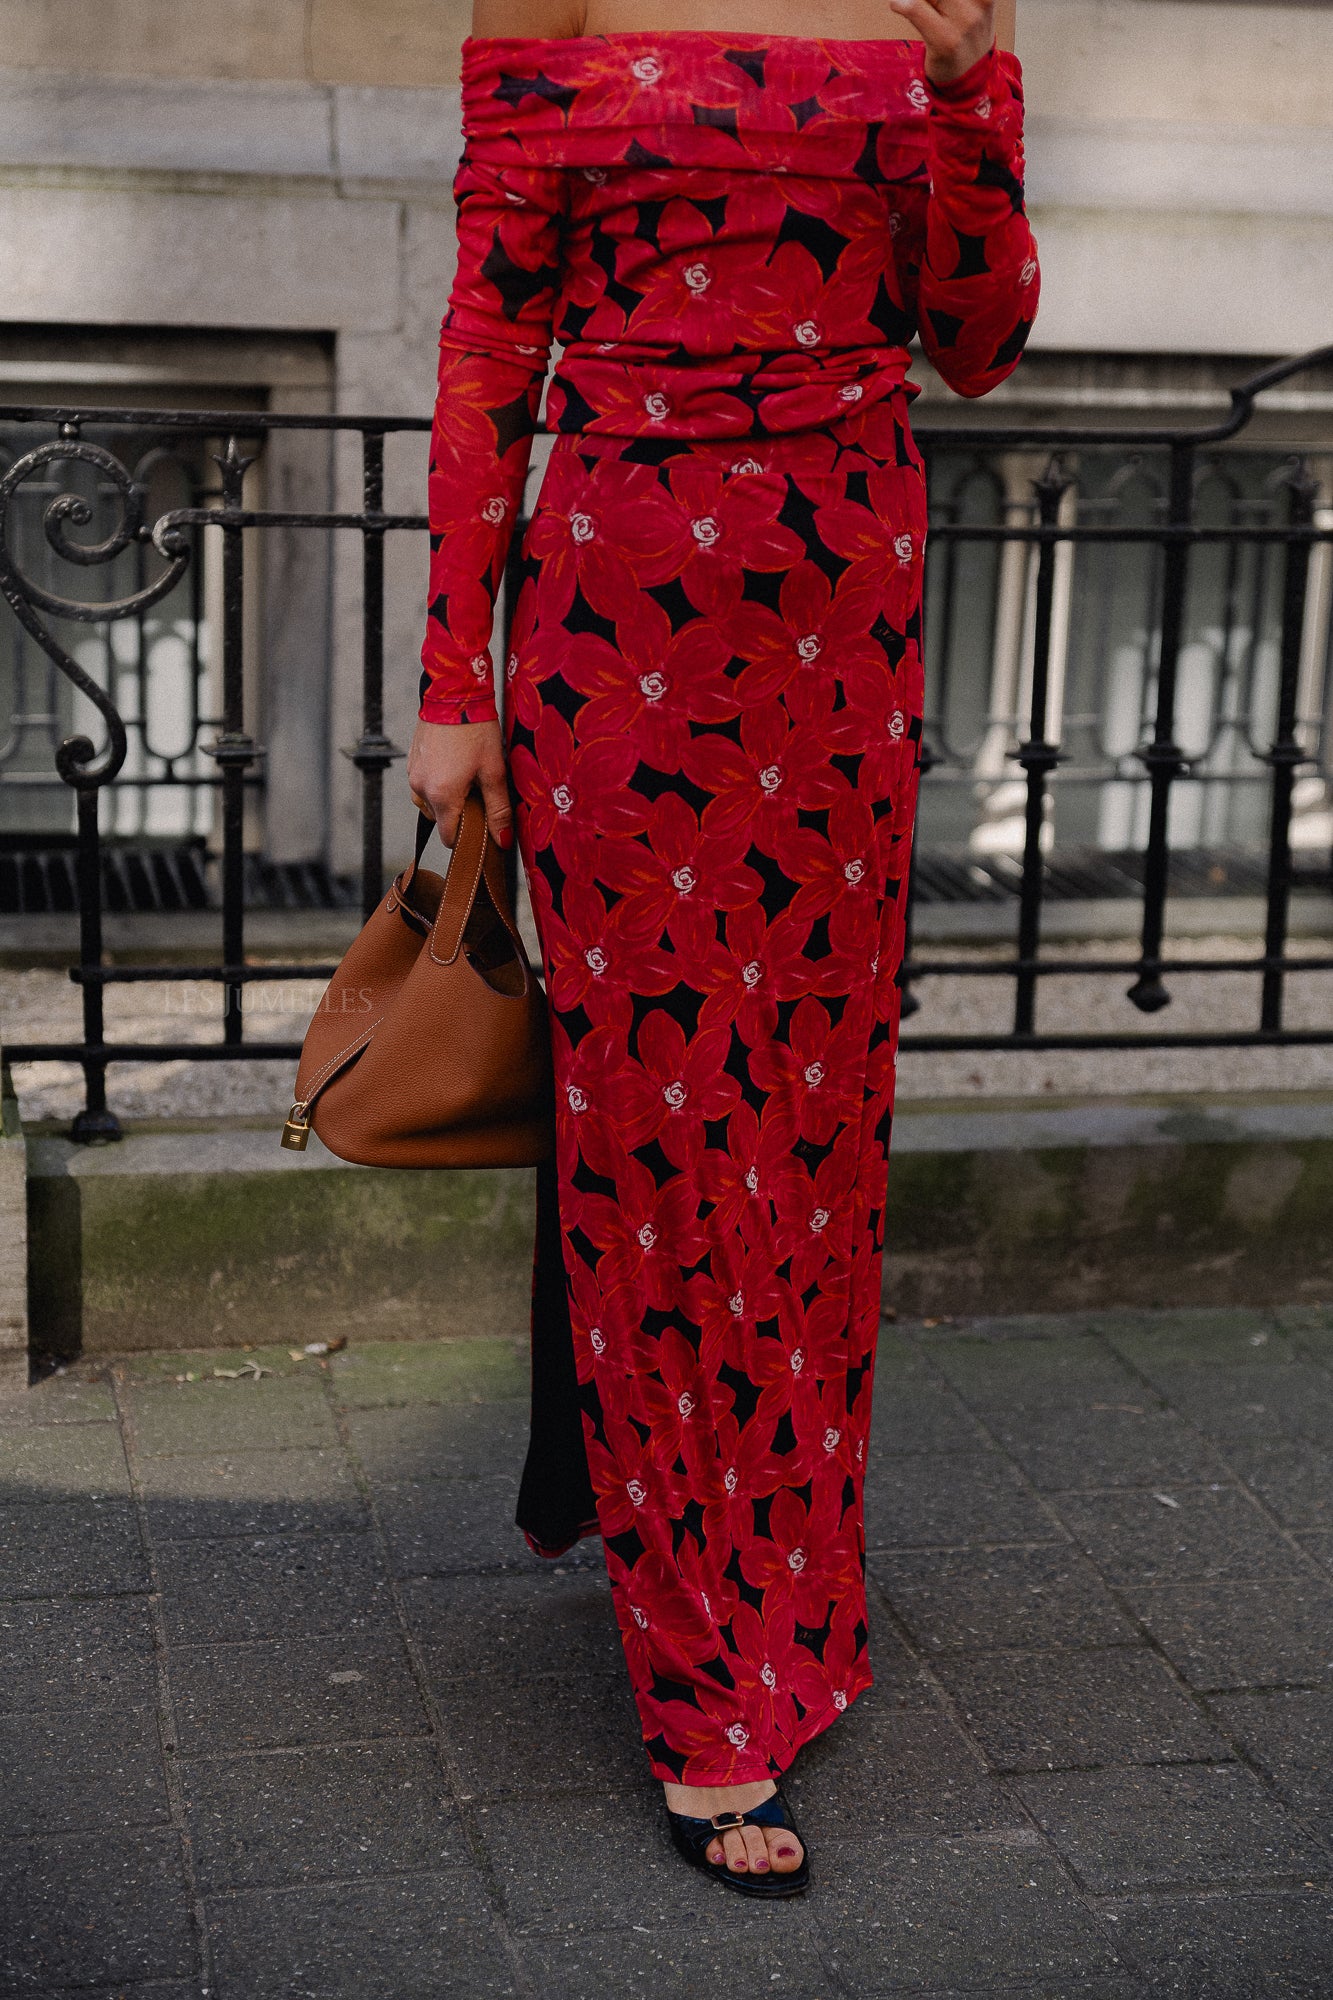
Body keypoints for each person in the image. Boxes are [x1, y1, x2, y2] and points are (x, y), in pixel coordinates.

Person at [408, 0, 1037, 1895]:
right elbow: (491, 337)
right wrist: (455, 680)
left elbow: (983, 339)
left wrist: (963, 97)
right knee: (665, 1146)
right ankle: (706, 1691)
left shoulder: (938, 9)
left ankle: (794, 1596)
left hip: (841, 632)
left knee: (815, 1138)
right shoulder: (558, 3)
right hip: (618, 624)